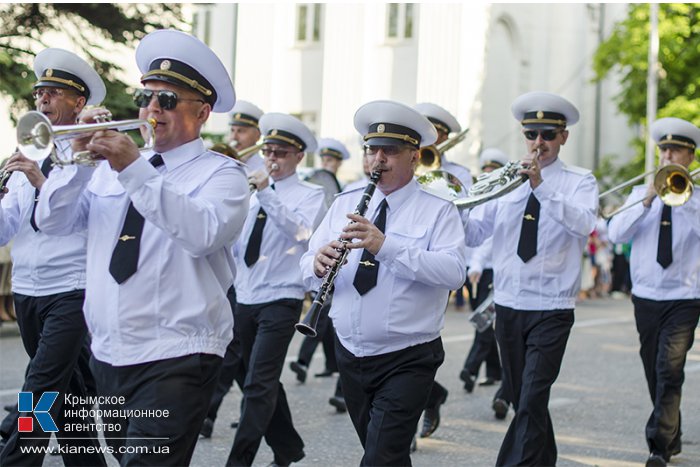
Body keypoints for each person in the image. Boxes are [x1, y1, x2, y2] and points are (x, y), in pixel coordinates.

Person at [35, 30, 249, 465]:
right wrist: (77, 164)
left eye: (167, 101)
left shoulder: (222, 175)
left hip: (178, 353)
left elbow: (202, 233)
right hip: (110, 351)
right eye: (144, 97)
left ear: (203, 112)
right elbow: (53, 223)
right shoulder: (106, 170)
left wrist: (134, 168)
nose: (151, 109)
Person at [301, 99, 467, 466]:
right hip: (351, 352)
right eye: (372, 150)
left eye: (390, 151)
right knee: (384, 455)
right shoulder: (345, 203)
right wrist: (315, 263)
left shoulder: (439, 210)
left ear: (414, 156)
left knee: (380, 457)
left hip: (408, 355)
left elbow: (454, 272)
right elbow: (304, 263)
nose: (378, 160)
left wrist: (385, 246)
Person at [464, 91, 598, 466]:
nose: (539, 142)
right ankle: (544, 459)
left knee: (534, 394)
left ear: (563, 137)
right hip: (508, 303)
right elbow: (476, 235)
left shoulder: (579, 181)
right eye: (531, 134)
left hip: (552, 305)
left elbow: (585, 224)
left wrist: (541, 185)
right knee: (526, 398)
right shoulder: (506, 179)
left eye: (548, 134)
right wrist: (455, 207)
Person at [0, 48, 107, 467]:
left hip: (71, 288)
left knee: (40, 389)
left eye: (54, 92)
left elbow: (68, 218)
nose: (42, 99)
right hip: (27, 288)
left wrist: (40, 178)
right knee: (69, 399)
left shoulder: (90, 155)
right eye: (39, 92)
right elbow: (8, 228)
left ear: (78, 102)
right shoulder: (26, 151)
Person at [226, 113, 325, 467]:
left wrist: (267, 193)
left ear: (299, 156)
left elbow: (301, 234)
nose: (272, 158)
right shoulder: (252, 193)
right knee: (254, 378)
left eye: (281, 152)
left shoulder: (310, 194)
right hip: (245, 294)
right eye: (268, 150)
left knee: (258, 383)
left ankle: (239, 461)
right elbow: (236, 242)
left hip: (281, 298)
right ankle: (287, 448)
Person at [607, 117, 700, 467]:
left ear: (689, 157)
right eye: (663, 149)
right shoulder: (638, 194)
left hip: (685, 297)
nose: (667, 155)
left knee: (669, 369)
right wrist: (647, 198)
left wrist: (684, 198)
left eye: (675, 150)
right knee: (653, 368)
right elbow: (615, 234)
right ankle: (671, 433)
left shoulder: (695, 198)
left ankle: (658, 444)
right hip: (646, 297)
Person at [200, 99, 266, 439]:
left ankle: (209, 411)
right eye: (234, 129)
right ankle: (281, 438)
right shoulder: (224, 165)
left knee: (248, 364)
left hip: (257, 281)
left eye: (242, 129)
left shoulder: (266, 168)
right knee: (245, 364)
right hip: (229, 274)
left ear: (257, 132)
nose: (236, 135)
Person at [413, 102, 471, 439]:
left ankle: (420, 405)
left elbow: (464, 223)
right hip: (395, 255)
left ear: (446, 138)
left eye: (437, 135)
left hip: (435, 261)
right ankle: (431, 395)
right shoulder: (402, 162)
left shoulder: (459, 174)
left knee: (418, 339)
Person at [290, 138, 351, 387]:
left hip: (344, 258)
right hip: (322, 252)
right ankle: (329, 365)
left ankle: (307, 362)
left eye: (331, 160)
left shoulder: (347, 190)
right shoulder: (314, 184)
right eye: (324, 159)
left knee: (325, 315)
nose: (326, 164)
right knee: (325, 315)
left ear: (338, 163)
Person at [460, 148, 512, 419]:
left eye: (493, 171)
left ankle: (470, 369)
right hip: (472, 270)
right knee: (486, 322)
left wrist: (478, 264)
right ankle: (495, 371)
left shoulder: (503, 197)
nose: (487, 175)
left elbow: (489, 239)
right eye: (485, 170)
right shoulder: (478, 195)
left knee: (484, 321)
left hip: (490, 270)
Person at [228, 99, 265, 172]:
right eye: (232, 130)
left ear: (257, 136)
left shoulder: (264, 169)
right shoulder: (226, 164)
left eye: (241, 131)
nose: (234, 137)